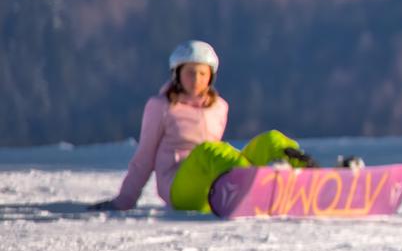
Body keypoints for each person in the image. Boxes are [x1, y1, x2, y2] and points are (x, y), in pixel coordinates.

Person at [92, 40, 322, 212]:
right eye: (190, 72)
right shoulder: (160, 106)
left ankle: (310, 181)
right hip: (179, 188)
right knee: (209, 150)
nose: (196, 79)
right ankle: (258, 187)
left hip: (215, 185)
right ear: (177, 75)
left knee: (271, 139)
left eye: (203, 73)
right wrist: (125, 200)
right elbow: (144, 157)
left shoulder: (219, 107)